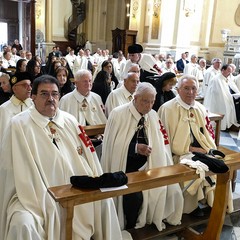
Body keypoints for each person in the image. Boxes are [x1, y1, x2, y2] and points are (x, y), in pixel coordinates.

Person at [0, 74, 123, 240]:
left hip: (75, 189)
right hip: (32, 194)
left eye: (55, 94)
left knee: (105, 201)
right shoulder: (18, 124)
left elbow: (91, 159)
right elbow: (12, 171)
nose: (50, 98)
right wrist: (44, 196)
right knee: (23, 223)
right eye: (44, 94)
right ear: (33, 97)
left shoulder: (70, 120)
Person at [101, 82, 183, 230]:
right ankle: (131, 226)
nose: (149, 106)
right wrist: (134, 148)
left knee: (171, 190)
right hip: (126, 167)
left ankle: (150, 219)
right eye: (146, 101)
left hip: (149, 166)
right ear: (135, 98)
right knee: (134, 197)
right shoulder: (118, 114)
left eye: (152, 101)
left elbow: (159, 142)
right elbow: (112, 146)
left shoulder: (152, 114)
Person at [158, 74, 233, 215]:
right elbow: (164, 140)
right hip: (177, 154)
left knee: (221, 165)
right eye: (186, 88)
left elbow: (208, 134)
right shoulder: (167, 109)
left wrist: (208, 149)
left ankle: (216, 203)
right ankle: (189, 209)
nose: (190, 92)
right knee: (194, 168)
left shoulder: (200, 108)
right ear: (178, 89)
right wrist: (189, 149)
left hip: (202, 151)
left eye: (193, 88)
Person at [0, 71, 33, 144]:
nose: (30, 88)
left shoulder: (35, 105)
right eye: (25, 85)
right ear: (14, 89)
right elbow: (3, 138)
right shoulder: (4, 109)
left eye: (30, 85)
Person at [203, 64, 240, 130]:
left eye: (231, 72)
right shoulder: (216, 79)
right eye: (228, 71)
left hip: (229, 98)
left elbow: (233, 87)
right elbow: (217, 93)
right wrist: (229, 97)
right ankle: (223, 124)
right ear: (223, 70)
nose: (230, 73)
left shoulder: (227, 78)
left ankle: (229, 123)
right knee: (225, 107)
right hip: (218, 101)